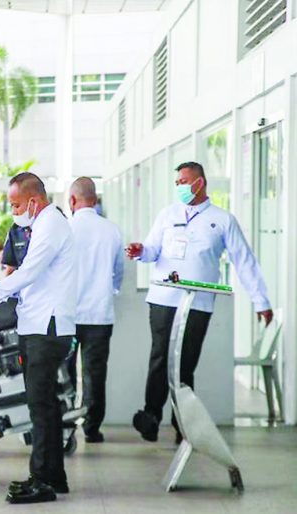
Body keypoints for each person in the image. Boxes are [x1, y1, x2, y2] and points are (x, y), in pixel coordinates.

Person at [126, 161, 273, 444]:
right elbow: (152, 250)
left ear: (200, 183)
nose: (180, 186)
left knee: (185, 363)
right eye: (177, 182)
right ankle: (151, 416)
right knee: (160, 356)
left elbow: (244, 262)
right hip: (163, 300)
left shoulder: (222, 220)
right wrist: (140, 251)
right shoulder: (167, 215)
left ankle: (183, 423)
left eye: (184, 181)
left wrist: (261, 301)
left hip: (197, 304)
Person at [0, 172, 76, 504]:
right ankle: (53, 476)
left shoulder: (51, 224)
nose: (14, 211)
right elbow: (27, 275)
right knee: (45, 405)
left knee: (40, 405)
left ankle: (42, 479)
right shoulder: (42, 224)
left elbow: (30, 272)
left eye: (16, 205)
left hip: (48, 325)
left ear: (34, 200)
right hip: (38, 322)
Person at [67, 177, 124, 443]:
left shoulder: (65, 229)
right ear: (95, 200)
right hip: (100, 315)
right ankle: (92, 428)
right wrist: (108, 292)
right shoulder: (111, 230)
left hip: (67, 315)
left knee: (64, 372)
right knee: (95, 373)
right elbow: (118, 273)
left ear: (72, 201)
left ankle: (65, 423)